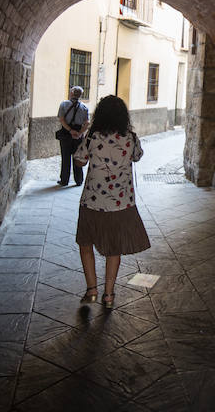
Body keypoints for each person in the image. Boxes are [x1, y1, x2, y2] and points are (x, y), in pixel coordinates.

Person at [73, 95, 150, 308]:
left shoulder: (92, 137)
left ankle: (92, 290)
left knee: (86, 244)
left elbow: (79, 162)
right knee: (114, 248)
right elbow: (137, 156)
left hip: (92, 202)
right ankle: (109, 295)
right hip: (121, 203)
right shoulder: (131, 138)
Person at [56, 86, 89, 186]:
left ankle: (64, 180)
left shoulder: (64, 104)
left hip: (66, 134)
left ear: (71, 93)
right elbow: (87, 123)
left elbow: (61, 119)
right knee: (77, 157)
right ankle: (79, 180)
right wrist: (79, 133)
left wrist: (70, 130)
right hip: (78, 136)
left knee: (65, 158)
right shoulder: (84, 107)